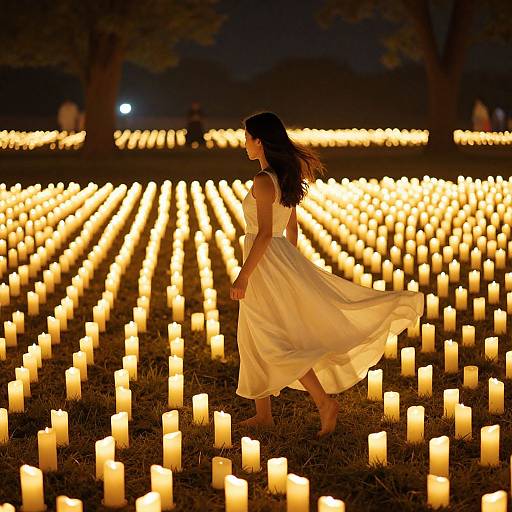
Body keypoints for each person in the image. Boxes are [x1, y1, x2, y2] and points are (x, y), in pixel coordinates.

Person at [230, 111, 424, 437]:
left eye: (247, 137)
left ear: (259, 140)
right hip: (276, 261)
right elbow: (290, 230)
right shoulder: (283, 178)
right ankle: (263, 413)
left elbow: (264, 233)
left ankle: (324, 402)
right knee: (251, 334)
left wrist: (245, 275)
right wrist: (289, 267)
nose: (244, 144)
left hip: (263, 264)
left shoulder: (264, 181)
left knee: (272, 338)